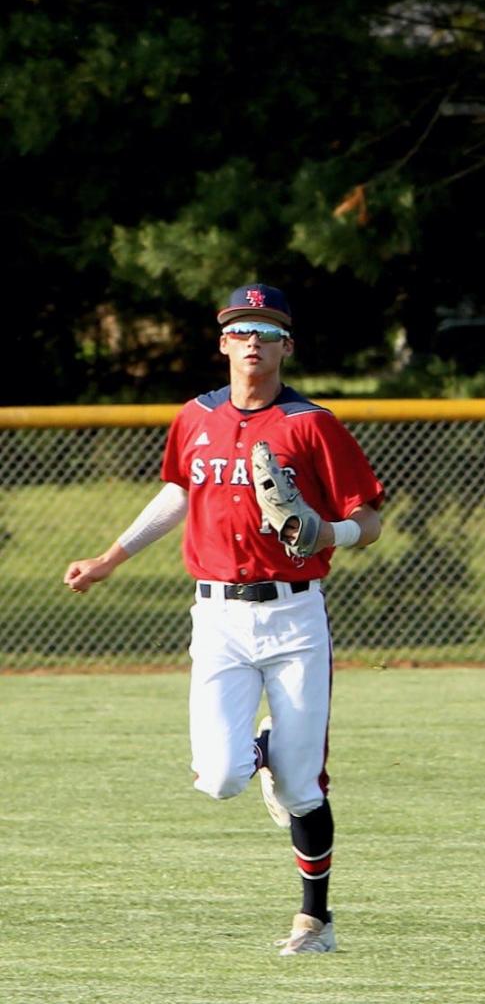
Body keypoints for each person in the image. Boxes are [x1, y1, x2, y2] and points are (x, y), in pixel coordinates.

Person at [64, 283, 384, 956]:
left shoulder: (312, 423)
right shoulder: (196, 416)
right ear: (222, 343)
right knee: (219, 778)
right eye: (241, 330)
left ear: (287, 346)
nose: (252, 343)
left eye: (266, 332)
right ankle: (262, 749)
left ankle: (314, 921)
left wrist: (330, 533)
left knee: (303, 786)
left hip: (295, 614)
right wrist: (108, 557)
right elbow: (178, 491)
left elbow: (370, 518)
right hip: (216, 618)